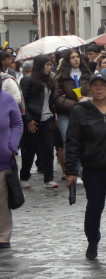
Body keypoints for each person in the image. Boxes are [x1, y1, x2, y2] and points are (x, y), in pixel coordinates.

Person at [65, 74, 106, 264]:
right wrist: (70, 170)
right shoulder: (80, 111)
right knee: (95, 207)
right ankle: (92, 241)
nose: (99, 88)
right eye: (95, 85)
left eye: (103, 85)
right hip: (93, 167)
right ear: (90, 89)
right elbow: (73, 141)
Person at [19, 55, 58, 189]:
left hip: (47, 119)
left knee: (48, 150)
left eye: (50, 65)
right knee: (30, 150)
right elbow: (23, 102)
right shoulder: (27, 80)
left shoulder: (50, 80)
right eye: (47, 65)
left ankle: (48, 179)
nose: (49, 67)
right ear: (40, 66)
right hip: (33, 120)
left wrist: (54, 116)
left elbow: (51, 100)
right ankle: (24, 176)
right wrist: (28, 119)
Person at [53, 49, 92, 147]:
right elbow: (57, 98)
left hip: (85, 113)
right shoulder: (61, 77)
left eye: (77, 57)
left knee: (84, 141)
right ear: (68, 60)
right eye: (72, 57)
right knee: (68, 141)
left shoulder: (88, 75)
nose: (76, 59)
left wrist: (86, 99)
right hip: (66, 114)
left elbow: (93, 92)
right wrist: (75, 104)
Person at [0, 88, 23, 248]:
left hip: (2, 157)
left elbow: (17, 124)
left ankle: (3, 235)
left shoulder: (7, 99)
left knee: (2, 200)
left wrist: (12, 145)